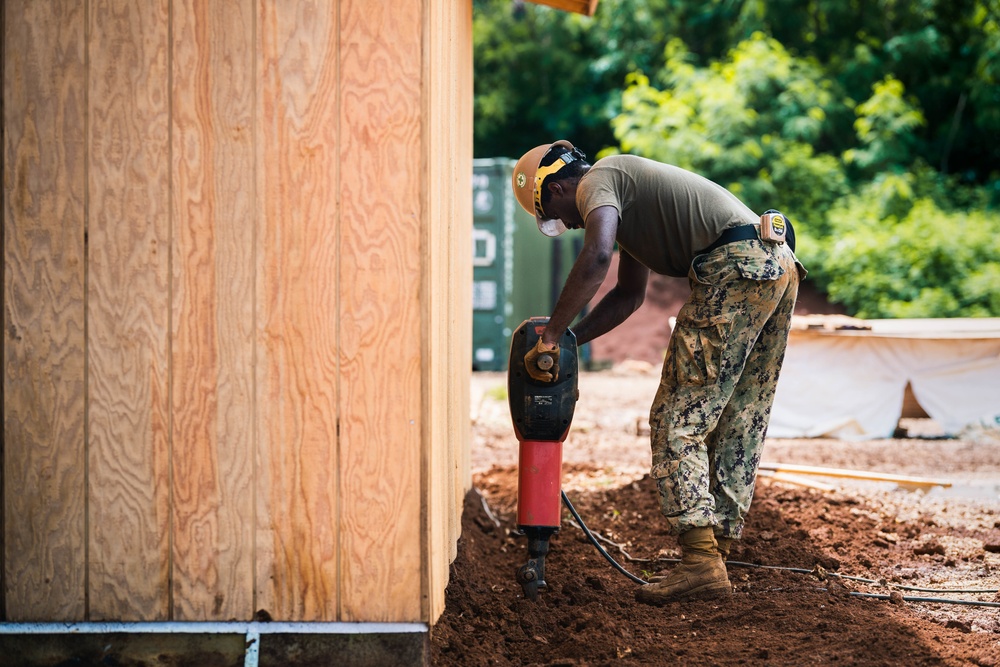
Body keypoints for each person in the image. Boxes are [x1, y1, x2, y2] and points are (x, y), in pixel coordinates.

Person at [510, 140, 805, 604]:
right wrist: (568, 343)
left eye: (554, 211)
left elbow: (597, 257)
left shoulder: (599, 179)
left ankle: (700, 562)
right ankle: (715, 554)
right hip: (775, 262)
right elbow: (628, 295)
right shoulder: (630, 200)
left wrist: (550, 335)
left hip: (736, 267)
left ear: (562, 184)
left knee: (676, 420)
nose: (565, 224)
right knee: (738, 416)